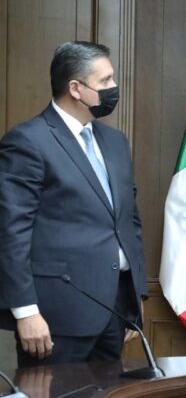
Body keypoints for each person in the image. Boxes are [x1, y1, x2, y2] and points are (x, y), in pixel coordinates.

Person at [0, 41, 147, 367]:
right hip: (57, 317)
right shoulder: (28, 141)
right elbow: (10, 233)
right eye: (105, 80)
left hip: (115, 311)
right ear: (76, 88)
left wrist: (134, 296)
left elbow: (129, 220)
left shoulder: (115, 142)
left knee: (110, 390)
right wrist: (26, 311)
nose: (114, 87)